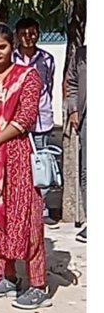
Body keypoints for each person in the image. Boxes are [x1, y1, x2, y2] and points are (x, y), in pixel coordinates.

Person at [0, 23, 50, 310]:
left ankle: (38, 284)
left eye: (1, 46)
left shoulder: (27, 76)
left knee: (24, 216)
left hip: (14, 156)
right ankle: (7, 274)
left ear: (11, 47)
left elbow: (26, 118)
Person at [12, 17, 56, 222]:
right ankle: (20, 206)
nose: (28, 38)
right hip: (16, 121)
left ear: (38, 34)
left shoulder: (47, 59)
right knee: (19, 165)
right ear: (17, 35)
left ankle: (40, 208)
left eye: (32, 33)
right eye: (23, 34)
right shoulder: (10, 58)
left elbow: (49, 86)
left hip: (41, 120)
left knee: (42, 163)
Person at [63, 43, 86, 243]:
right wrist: (73, 109)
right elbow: (71, 83)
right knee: (88, 171)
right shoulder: (81, 54)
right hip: (87, 119)